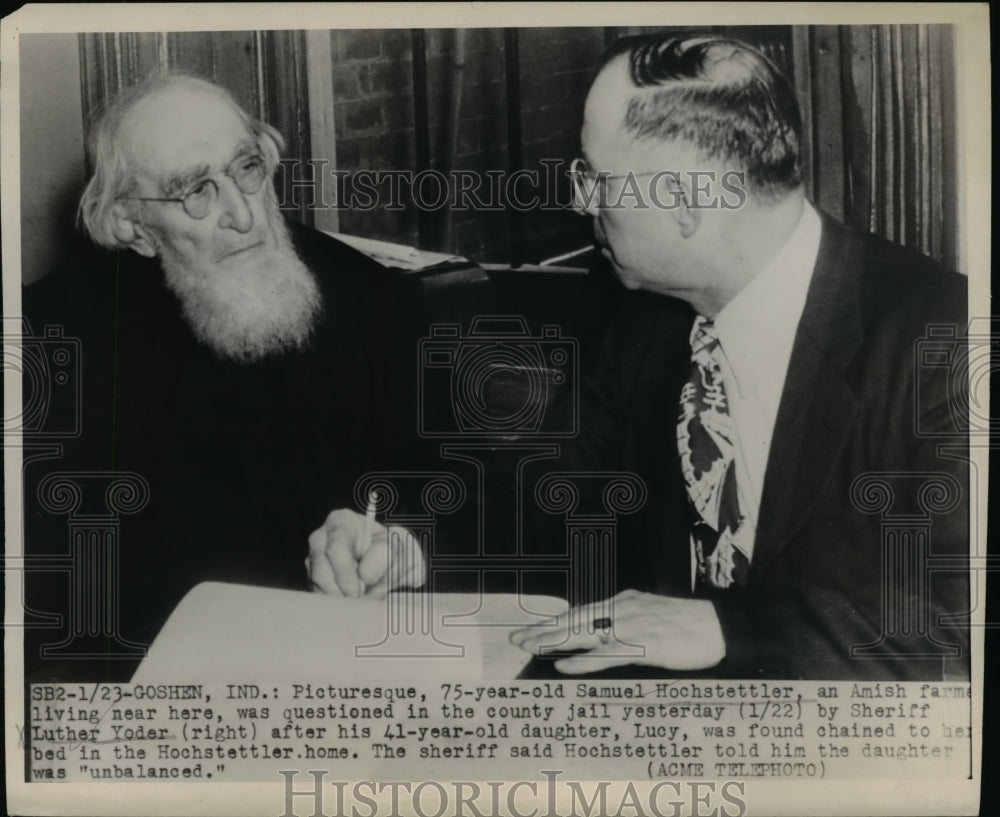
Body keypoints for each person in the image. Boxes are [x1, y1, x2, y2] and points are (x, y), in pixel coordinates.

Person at [309, 35, 969, 681]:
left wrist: (724, 629)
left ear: (683, 204)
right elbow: (543, 499)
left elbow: (961, 628)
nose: (580, 202)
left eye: (594, 178)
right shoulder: (651, 328)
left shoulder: (941, 339)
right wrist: (404, 545)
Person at [22, 73, 425, 677]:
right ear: (133, 225)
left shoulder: (369, 296)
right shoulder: (53, 343)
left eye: (247, 168)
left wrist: (402, 544)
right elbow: (49, 607)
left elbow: (447, 484)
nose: (243, 214)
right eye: (196, 192)